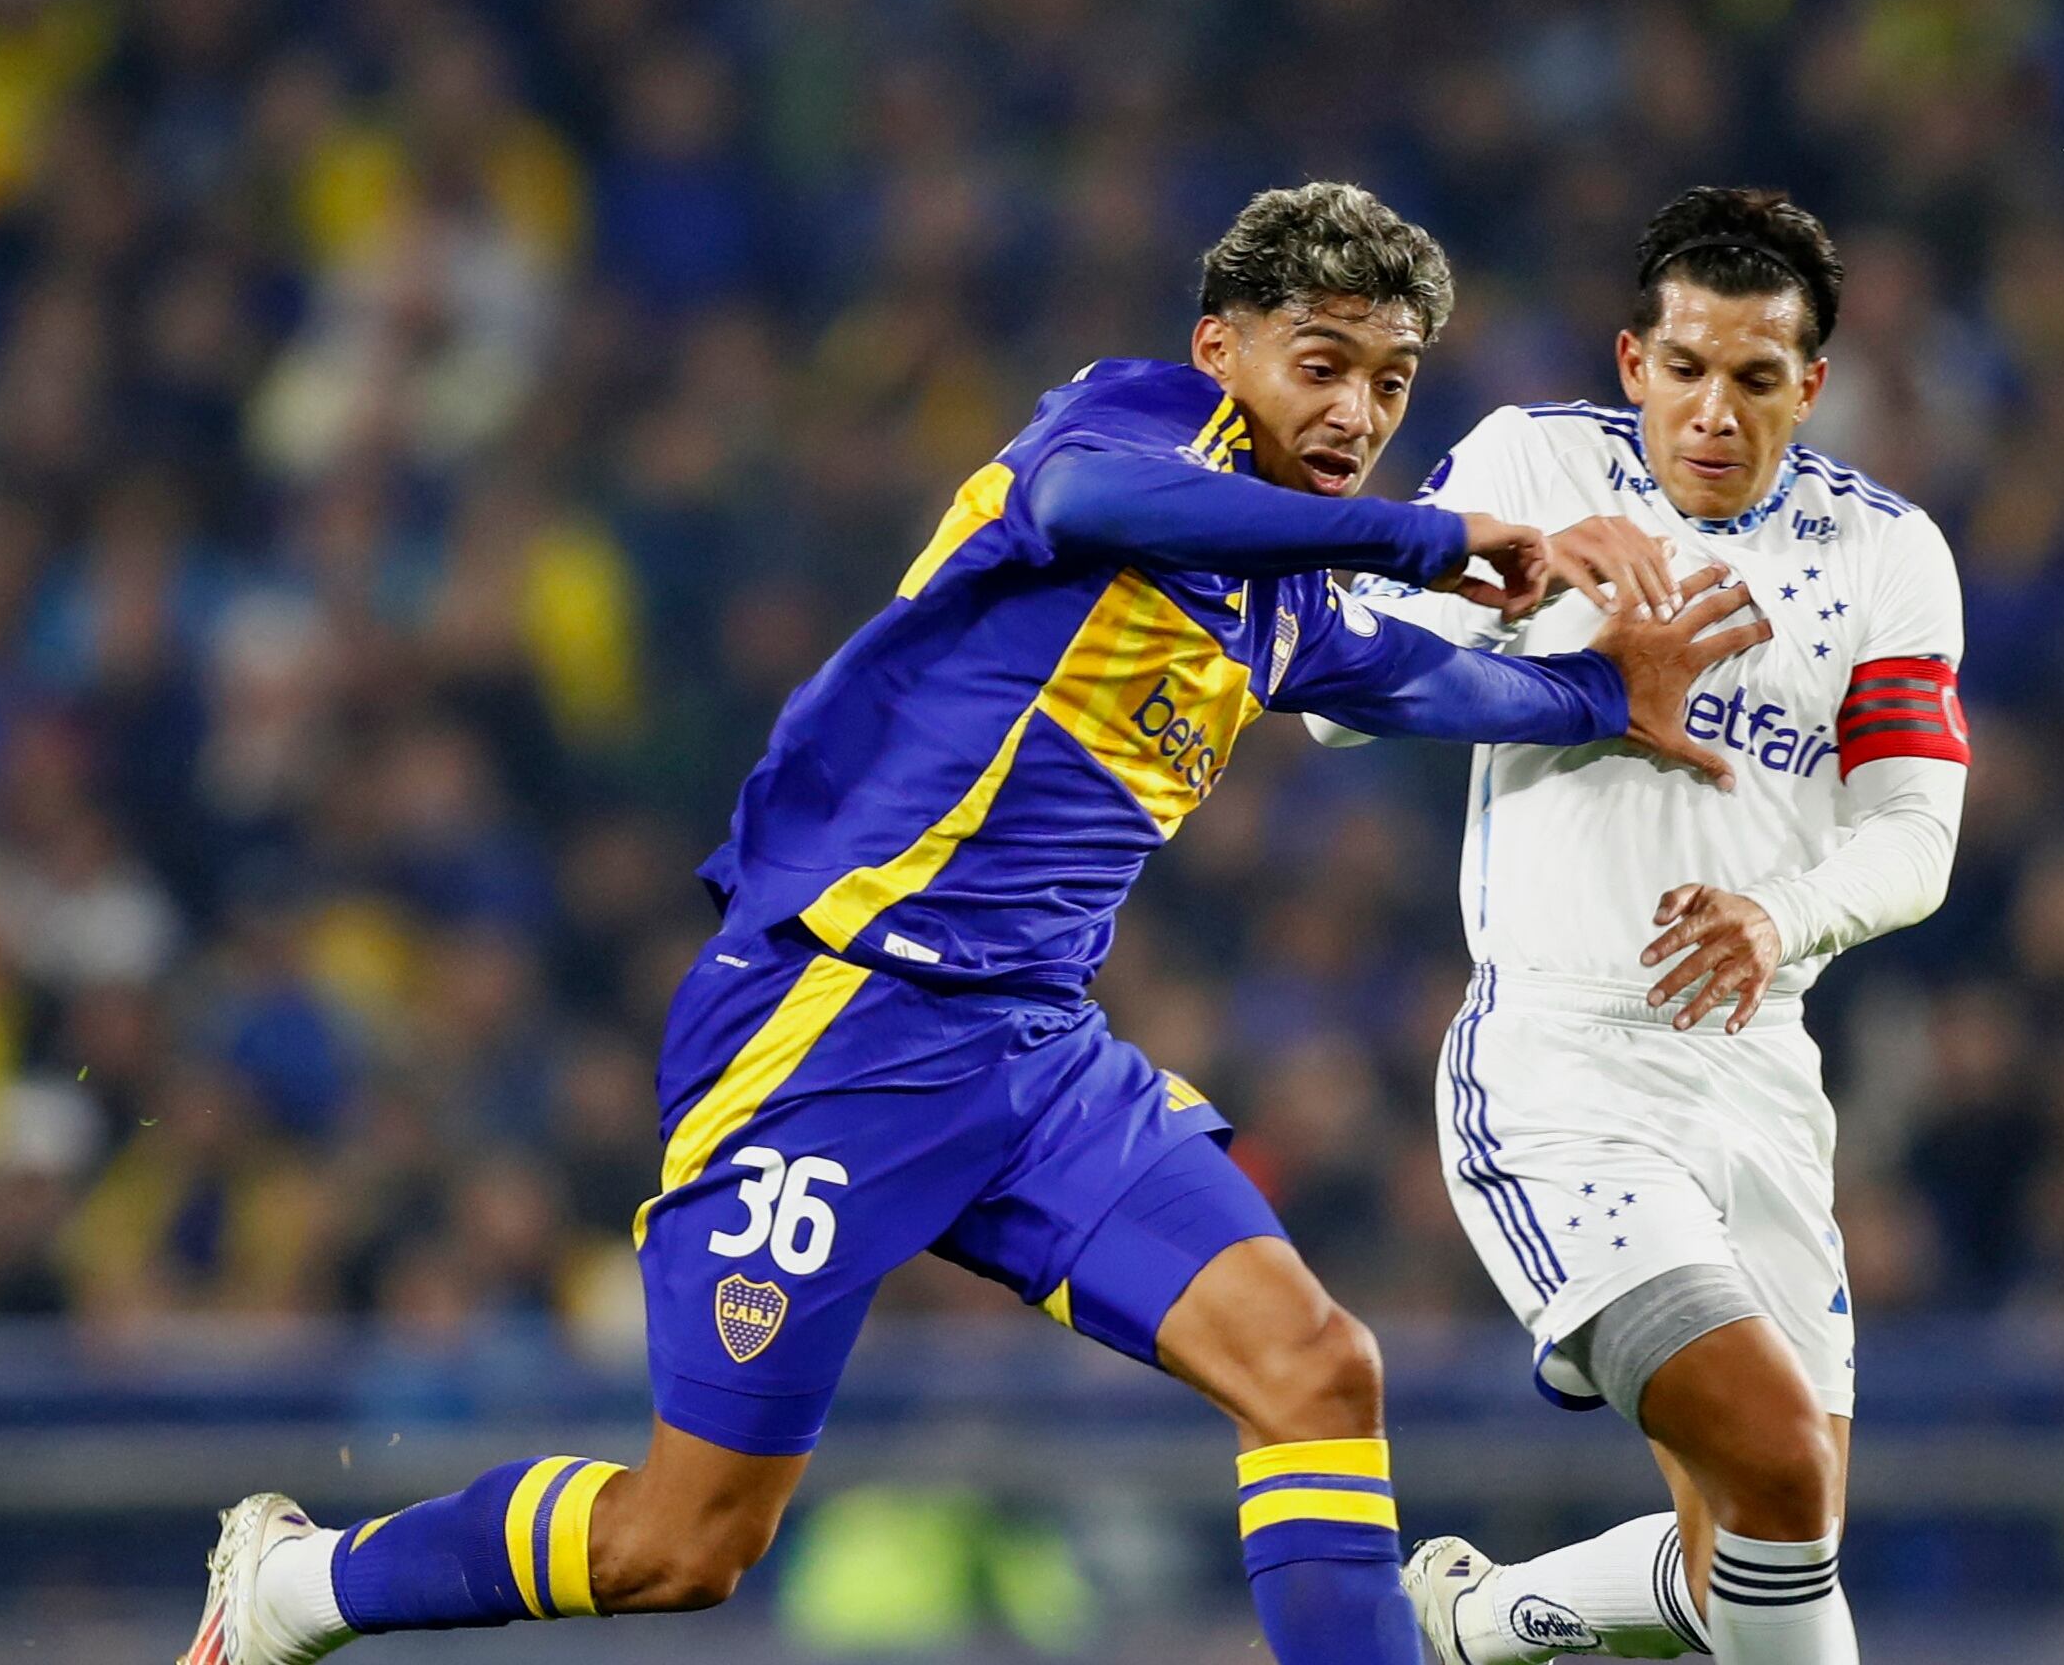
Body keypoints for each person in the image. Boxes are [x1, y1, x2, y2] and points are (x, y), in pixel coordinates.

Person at [181, 181, 1768, 1665]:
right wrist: (1436, 537)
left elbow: (1432, 679)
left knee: (1314, 1368)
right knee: (685, 1544)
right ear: (1222, 349)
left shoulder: (1279, 596)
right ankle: (296, 1589)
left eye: (1392, 380)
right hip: (832, 1026)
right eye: (1321, 362)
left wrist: (1601, 698)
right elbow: (1086, 501)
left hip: (1032, 1060)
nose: (1355, 413)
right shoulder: (1135, 426)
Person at [1307, 187, 1968, 1665]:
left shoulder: (1884, 553)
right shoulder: (1532, 467)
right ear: (1631, 362)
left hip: (1760, 1082)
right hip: (1564, 1068)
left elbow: (1915, 835)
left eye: (1753, 379)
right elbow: (1334, 694)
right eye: (1684, 371)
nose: (1714, 413)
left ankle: (1471, 1624)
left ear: (1810, 383)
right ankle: (1469, 1629)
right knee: (1777, 1464)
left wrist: (1778, 914)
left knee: (1761, 1546)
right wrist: (1518, 583)